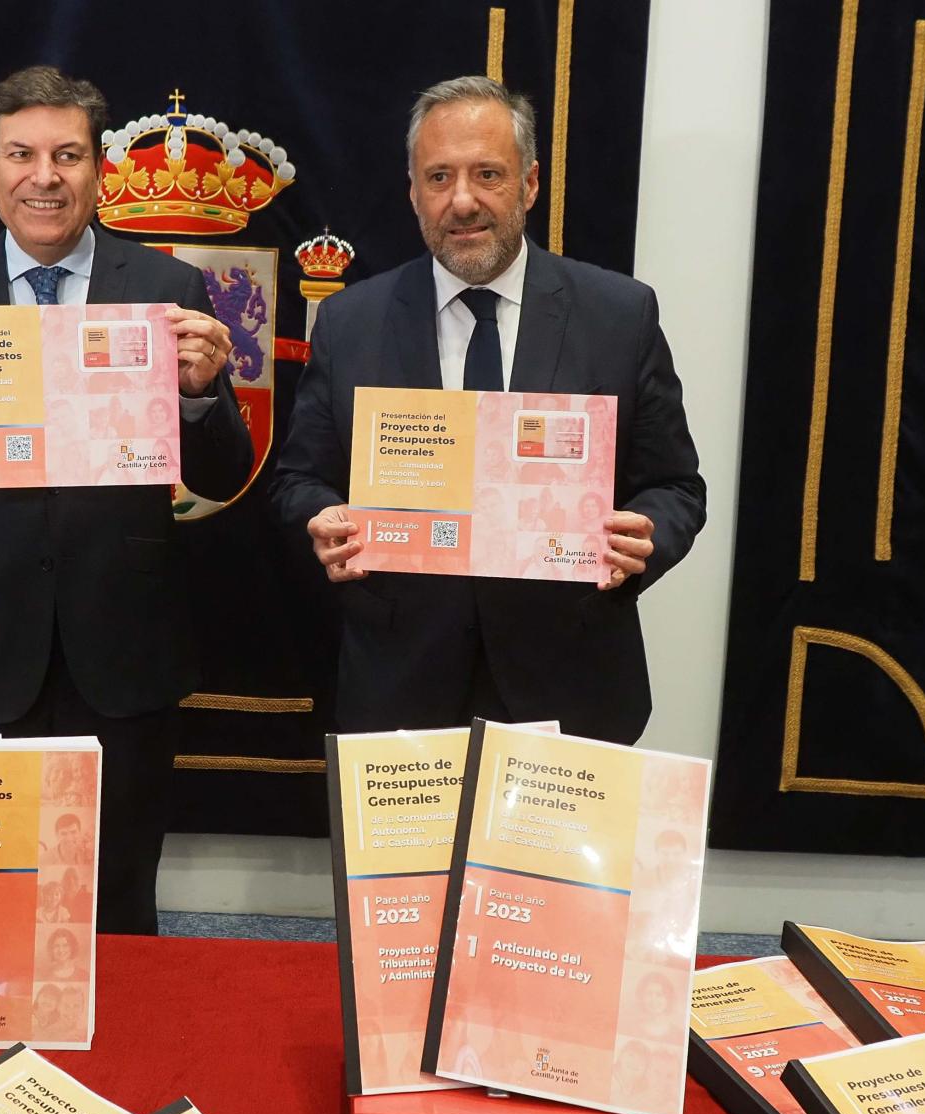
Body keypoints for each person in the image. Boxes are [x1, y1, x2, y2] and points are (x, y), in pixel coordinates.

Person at [0, 67, 253, 935]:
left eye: (68, 154)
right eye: (23, 154)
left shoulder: (169, 291)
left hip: (123, 658)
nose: (46, 175)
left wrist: (198, 396)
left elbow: (224, 476)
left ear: (100, 170)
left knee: (115, 913)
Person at [271, 75, 705, 741]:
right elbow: (299, 480)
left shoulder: (620, 315)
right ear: (414, 192)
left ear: (529, 185)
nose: (462, 201)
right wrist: (319, 519)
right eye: (439, 177)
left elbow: (676, 487)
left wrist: (646, 535)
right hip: (398, 691)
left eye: (488, 174)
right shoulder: (349, 323)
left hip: (571, 687)